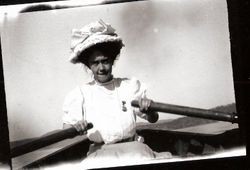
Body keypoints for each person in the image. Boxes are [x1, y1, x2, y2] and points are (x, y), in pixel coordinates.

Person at [62, 20, 169, 168]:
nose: (101, 68)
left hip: (135, 150)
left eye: (105, 61)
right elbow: (66, 129)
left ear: (112, 61)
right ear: (89, 66)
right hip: (100, 154)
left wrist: (150, 110)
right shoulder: (80, 94)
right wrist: (75, 127)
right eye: (95, 63)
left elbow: (153, 118)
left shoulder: (128, 86)